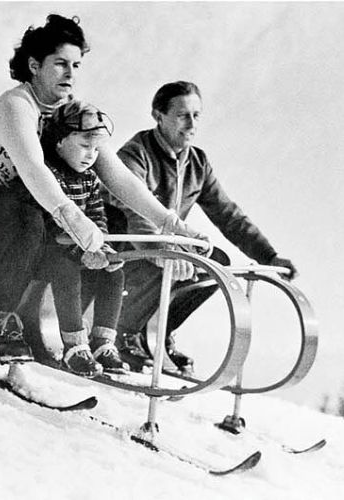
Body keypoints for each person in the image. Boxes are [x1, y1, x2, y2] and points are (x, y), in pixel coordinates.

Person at [0, 15, 199, 366]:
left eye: (76, 65)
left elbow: (116, 176)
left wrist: (170, 222)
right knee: (31, 221)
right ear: (34, 65)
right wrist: (78, 224)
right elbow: (34, 171)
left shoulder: (69, 111)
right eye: (60, 64)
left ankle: (89, 336)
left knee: (111, 218)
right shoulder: (15, 107)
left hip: (26, 211)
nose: (70, 74)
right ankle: (2, 324)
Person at [103, 80, 298, 373]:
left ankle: (154, 335)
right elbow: (135, 213)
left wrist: (268, 256)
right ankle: (124, 332)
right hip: (125, 253)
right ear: (159, 115)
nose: (192, 123)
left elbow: (228, 215)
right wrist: (163, 250)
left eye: (197, 115)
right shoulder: (135, 154)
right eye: (183, 115)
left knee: (215, 262)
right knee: (182, 260)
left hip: (162, 253)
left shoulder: (197, 162)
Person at [10, 100, 128, 377]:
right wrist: (83, 250)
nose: (91, 155)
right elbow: (49, 226)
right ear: (60, 142)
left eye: (96, 149)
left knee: (114, 272)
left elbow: (98, 217)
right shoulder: (47, 173)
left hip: (77, 247)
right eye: (85, 146)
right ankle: (74, 346)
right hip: (44, 250)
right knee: (65, 271)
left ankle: (102, 342)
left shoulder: (88, 179)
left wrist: (102, 248)